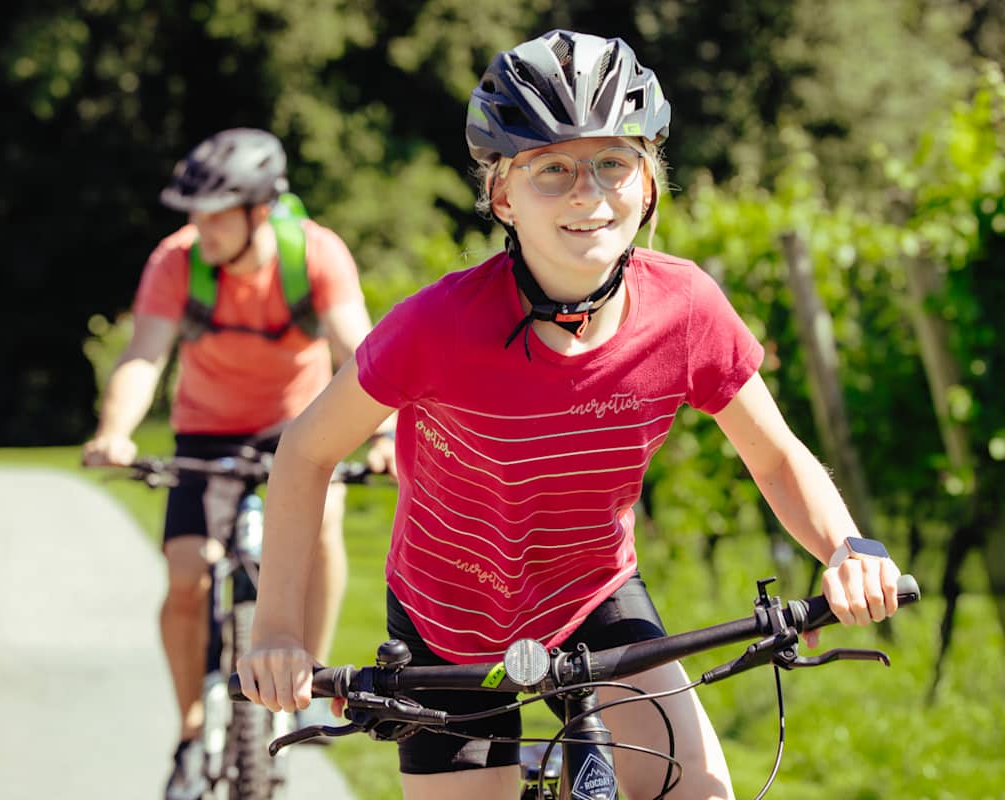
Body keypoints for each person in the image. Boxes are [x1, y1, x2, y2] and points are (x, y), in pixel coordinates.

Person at [236, 30, 902, 800]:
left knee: (699, 792)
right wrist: (280, 630)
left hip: (593, 598)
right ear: (502, 197)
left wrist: (847, 548)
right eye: (551, 169)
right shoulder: (435, 326)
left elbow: (776, 457)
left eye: (613, 163)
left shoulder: (685, 310)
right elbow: (307, 452)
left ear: (648, 184)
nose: (588, 194)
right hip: (447, 620)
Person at [80, 127, 395, 800]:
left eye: (219, 213)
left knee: (326, 521)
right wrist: (115, 431)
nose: (203, 228)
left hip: (298, 427)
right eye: (196, 213)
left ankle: (308, 671)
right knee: (188, 572)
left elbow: (359, 351)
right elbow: (144, 355)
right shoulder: (177, 261)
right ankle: (193, 729)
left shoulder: (313, 254)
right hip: (206, 433)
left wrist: (385, 433)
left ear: (261, 210)